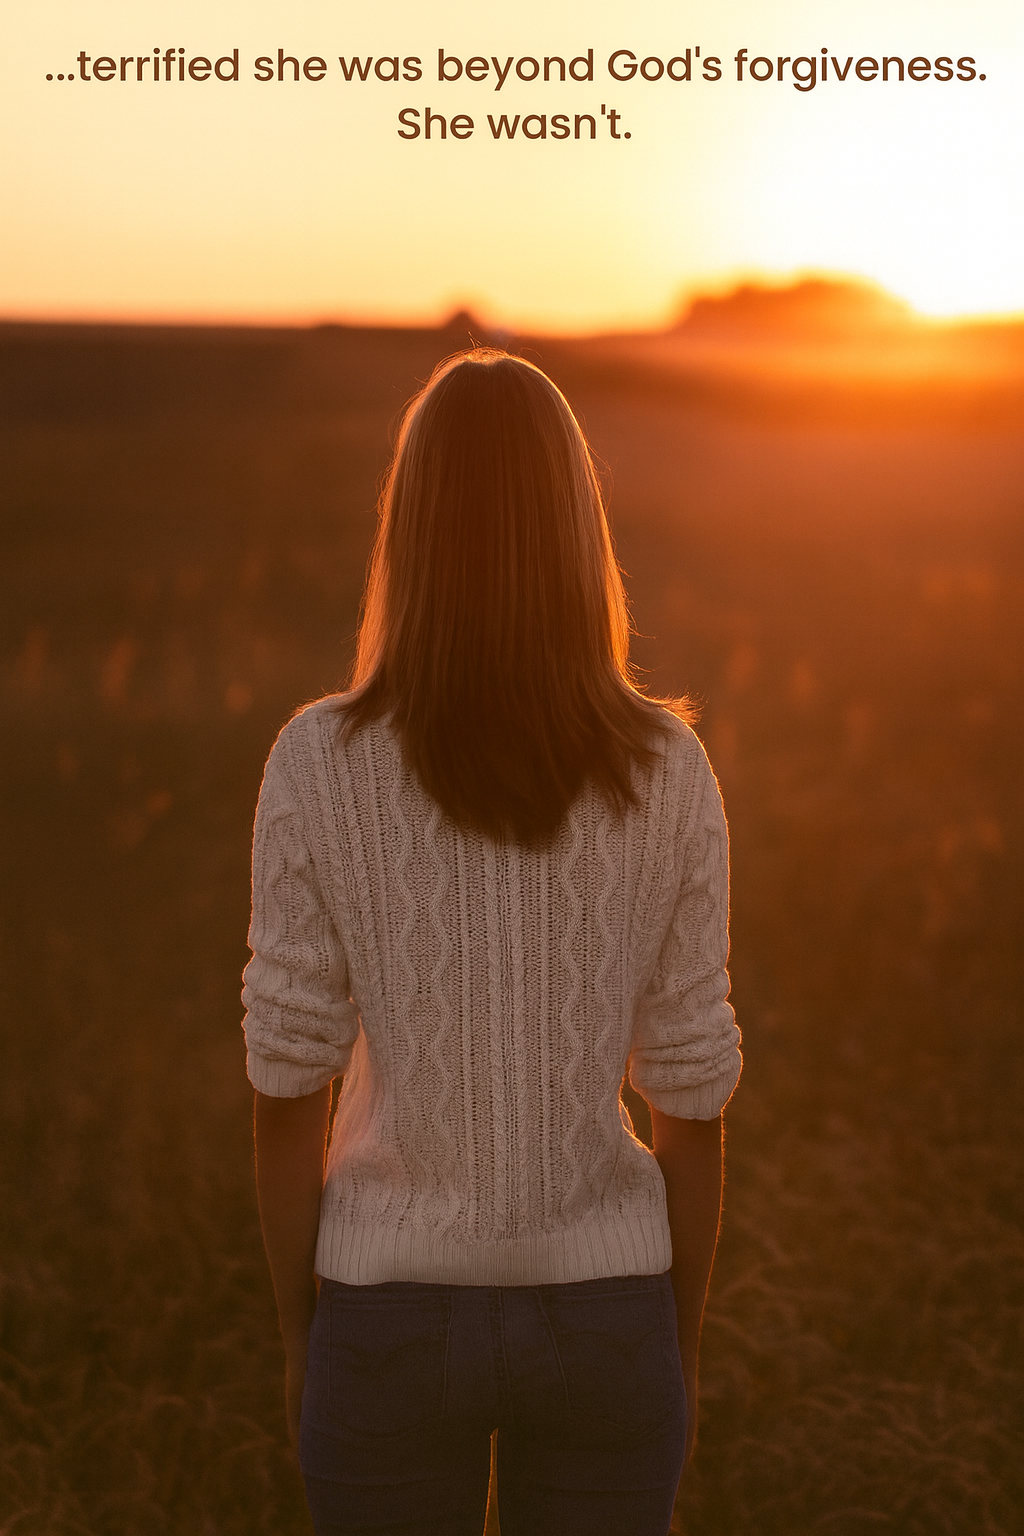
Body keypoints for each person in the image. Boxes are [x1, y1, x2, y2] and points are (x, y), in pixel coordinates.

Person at [241, 350, 741, 1536]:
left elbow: (281, 1089)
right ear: (579, 526)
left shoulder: (317, 762)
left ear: (407, 531)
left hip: (383, 1318)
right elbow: (691, 1096)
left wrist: (304, 1338)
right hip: (610, 1314)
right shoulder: (666, 770)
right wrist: (675, 1344)